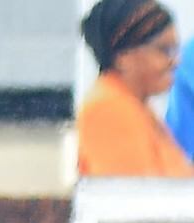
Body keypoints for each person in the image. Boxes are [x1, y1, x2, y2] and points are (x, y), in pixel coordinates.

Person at [81, 1, 193, 176]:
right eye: (164, 50)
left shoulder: (137, 107)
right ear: (122, 55)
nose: (176, 61)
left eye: (175, 49)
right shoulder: (109, 109)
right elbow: (136, 197)